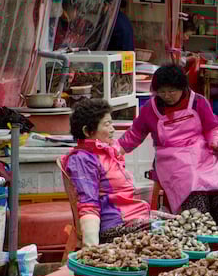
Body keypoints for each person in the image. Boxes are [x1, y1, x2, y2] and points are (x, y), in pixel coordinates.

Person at [117, 64, 218, 222]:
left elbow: (212, 127)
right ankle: (200, 226)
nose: (167, 96)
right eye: (162, 92)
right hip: (172, 159)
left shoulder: (198, 102)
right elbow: (134, 134)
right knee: (194, 189)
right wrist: (116, 151)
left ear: (182, 88)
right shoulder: (151, 108)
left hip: (203, 153)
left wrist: (215, 140)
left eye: (172, 91)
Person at [61, 99, 152, 245]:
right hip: (115, 225)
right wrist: (92, 250)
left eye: (111, 123)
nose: (112, 129)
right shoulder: (83, 159)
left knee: (180, 222)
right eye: (106, 124)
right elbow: (88, 205)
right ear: (87, 131)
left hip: (133, 215)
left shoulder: (106, 151)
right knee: (167, 229)